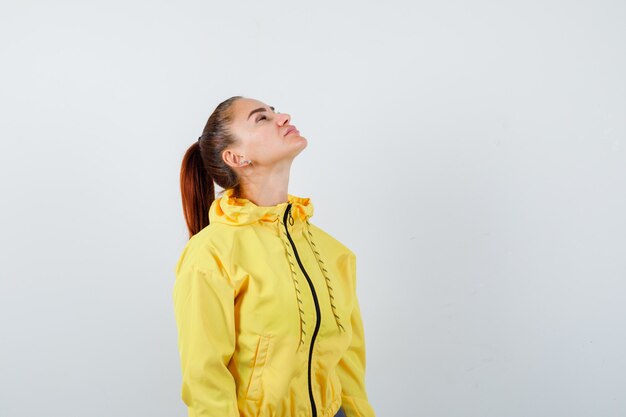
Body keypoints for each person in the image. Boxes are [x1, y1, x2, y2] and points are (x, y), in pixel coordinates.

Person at [172, 96, 376, 417]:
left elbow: (348, 361)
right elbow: (205, 378)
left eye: (275, 111)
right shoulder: (210, 254)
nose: (282, 117)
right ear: (236, 157)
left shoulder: (334, 253)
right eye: (262, 118)